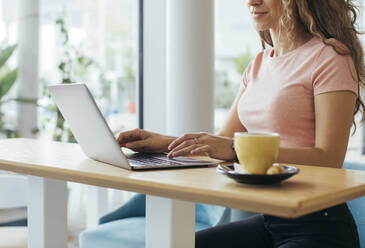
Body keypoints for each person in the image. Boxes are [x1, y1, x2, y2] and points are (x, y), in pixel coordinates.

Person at [117, 0, 364, 247]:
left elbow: (329, 157)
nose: (251, 1)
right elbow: (221, 142)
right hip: (270, 221)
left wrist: (237, 150)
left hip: (320, 227)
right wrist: (163, 143)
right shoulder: (258, 63)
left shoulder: (330, 56)